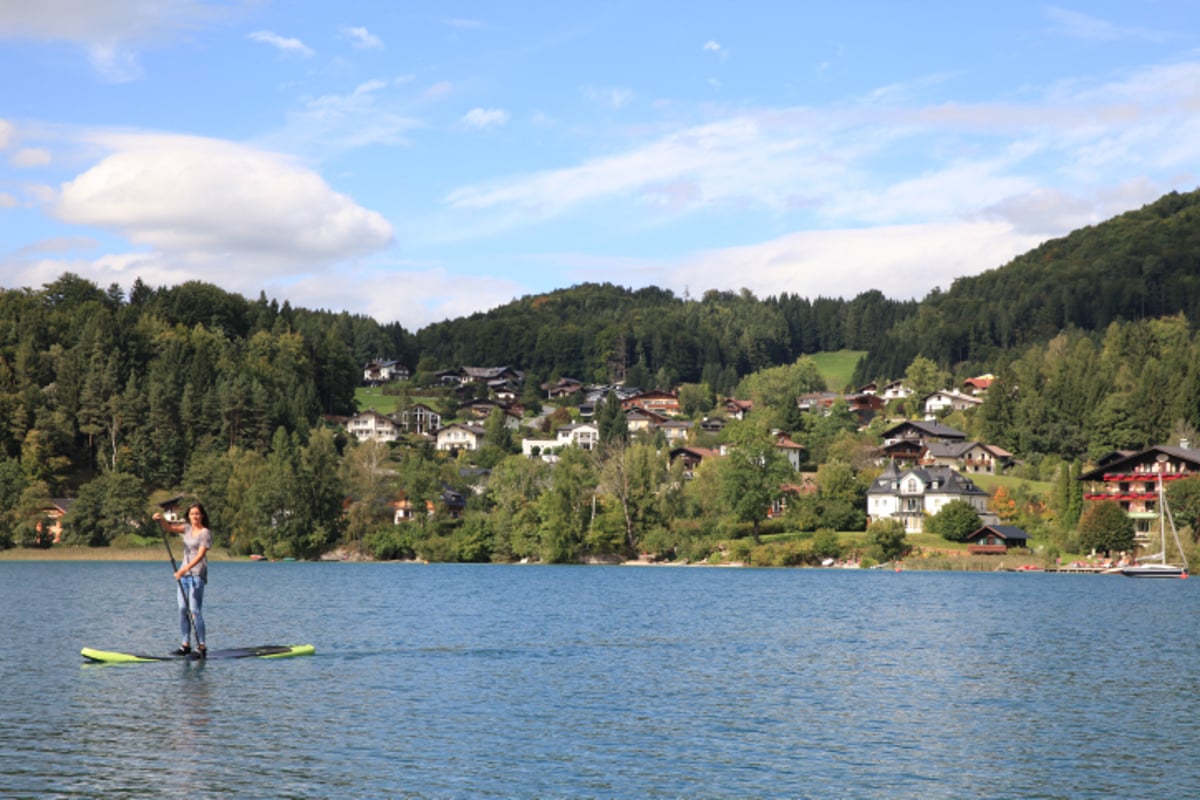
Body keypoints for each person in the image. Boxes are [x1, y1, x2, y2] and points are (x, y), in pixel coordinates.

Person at [152, 504, 212, 659]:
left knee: (194, 611)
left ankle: (202, 646)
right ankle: (185, 645)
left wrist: (183, 570)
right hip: (183, 575)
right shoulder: (187, 529)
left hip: (196, 575)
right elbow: (170, 529)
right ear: (189, 516)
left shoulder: (205, 533)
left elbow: (200, 556)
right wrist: (161, 519)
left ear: (202, 516)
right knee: (182, 609)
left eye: (197, 514)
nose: (195, 516)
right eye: (192, 514)